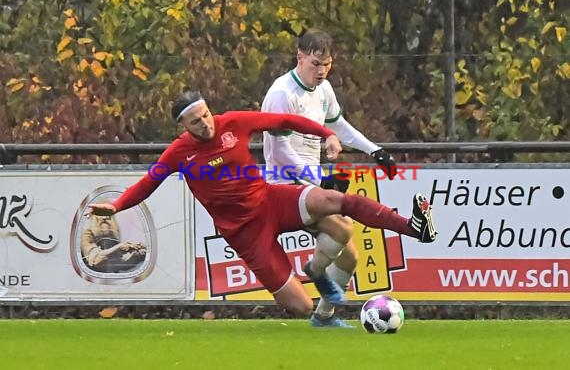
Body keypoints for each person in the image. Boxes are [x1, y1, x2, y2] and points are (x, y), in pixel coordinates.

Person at [87, 90, 436, 318]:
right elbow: (150, 182)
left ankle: (412, 226)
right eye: (196, 121)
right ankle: (311, 302)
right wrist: (116, 207)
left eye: (206, 114)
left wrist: (327, 133)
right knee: (300, 306)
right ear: (182, 126)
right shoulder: (180, 152)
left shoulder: (233, 123)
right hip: (245, 234)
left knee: (335, 200)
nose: (206, 123)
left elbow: (283, 122)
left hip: (271, 201)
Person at [262, 29, 435, 327]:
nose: (321, 70)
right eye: (315, 63)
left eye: (327, 64)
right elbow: (279, 151)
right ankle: (314, 270)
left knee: (349, 258)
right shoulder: (282, 94)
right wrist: (314, 180)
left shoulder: (324, 88)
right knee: (342, 230)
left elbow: (338, 125)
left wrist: (375, 151)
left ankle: (324, 317)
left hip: (309, 181)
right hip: (284, 183)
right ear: (299, 57)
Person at [81, 213, 147, 273]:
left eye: (108, 215)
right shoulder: (87, 235)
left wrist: (136, 255)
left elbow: (117, 265)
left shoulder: (112, 238)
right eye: (100, 214)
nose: (104, 218)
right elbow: (96, 260)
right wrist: (119, 247)